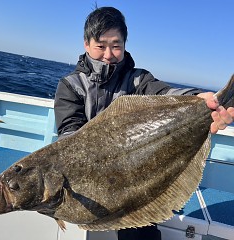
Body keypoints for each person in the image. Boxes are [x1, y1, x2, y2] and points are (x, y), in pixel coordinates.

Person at [54, 6, 234, 240]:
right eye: (100, 46)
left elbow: (166, 94)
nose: (108, 54)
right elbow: (69, 134)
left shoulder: (138, 79)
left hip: (138, 176)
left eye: (116, 45)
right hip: (89, 182)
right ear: (86, 44)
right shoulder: (70, 85)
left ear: (125, 45)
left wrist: (201, 101)